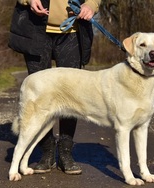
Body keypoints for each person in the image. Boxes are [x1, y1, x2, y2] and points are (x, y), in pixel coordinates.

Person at [8, 0, 101, 175]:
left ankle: (65, 152)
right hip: (35, 30)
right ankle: (47, 152)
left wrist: (91, 5)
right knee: (38, 100)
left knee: (73, 95)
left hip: (72, 31)